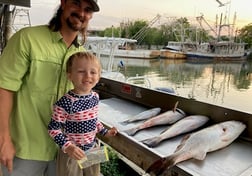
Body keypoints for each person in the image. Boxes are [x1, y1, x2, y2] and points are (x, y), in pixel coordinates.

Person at [0, 0, 100, 175]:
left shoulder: (83, 56)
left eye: (88, 9)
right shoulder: (27, 38)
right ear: (63, 3)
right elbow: (4, 88)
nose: (81, 13)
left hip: (66, 154)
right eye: (76, 3)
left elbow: (86, 103)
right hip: (25, 150)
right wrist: (3, 139)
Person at [48, 51, 118, 176]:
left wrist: (105, 132)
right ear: (70, 75)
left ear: (99, 76)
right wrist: (68, 147)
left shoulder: (95, 97)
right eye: (81, 71)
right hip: (72, 154)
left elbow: (94, 120)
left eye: (93, 72)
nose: (88, 76)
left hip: (93, 148)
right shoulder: (65, 102)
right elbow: (53, 129)